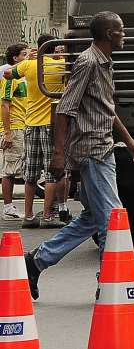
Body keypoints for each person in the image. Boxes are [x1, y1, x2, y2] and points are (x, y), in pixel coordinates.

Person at [24, 12, 134, 300]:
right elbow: (65, 109)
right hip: (92, 150)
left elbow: (106, 107)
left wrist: (127, 139)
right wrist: (58, 154)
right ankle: (112, 281)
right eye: (120, 30)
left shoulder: (104, 62)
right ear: (108, 35)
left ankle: (36, 261)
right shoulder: (88, 62)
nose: (124, 34)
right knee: (113, 218)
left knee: (93, 217)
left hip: (103, 146)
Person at [7, 35, 65, 229]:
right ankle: (48, 216)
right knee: (51, 173)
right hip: (52, 124)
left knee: (30, 174)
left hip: (30, 124)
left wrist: (30, 59)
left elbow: (8, 74)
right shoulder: (61, 65)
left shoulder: (29, 65)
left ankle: (29, 216)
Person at [0, 43, 28, 220]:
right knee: (9, 168)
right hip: (15, 127)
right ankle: (8, 207)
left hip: (24, 125)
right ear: (15, 58)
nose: (28, 57)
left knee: (19, 167)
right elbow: (5, 104)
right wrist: (8, 132)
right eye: (24, 54)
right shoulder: (10, 78)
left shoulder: (24, 77)